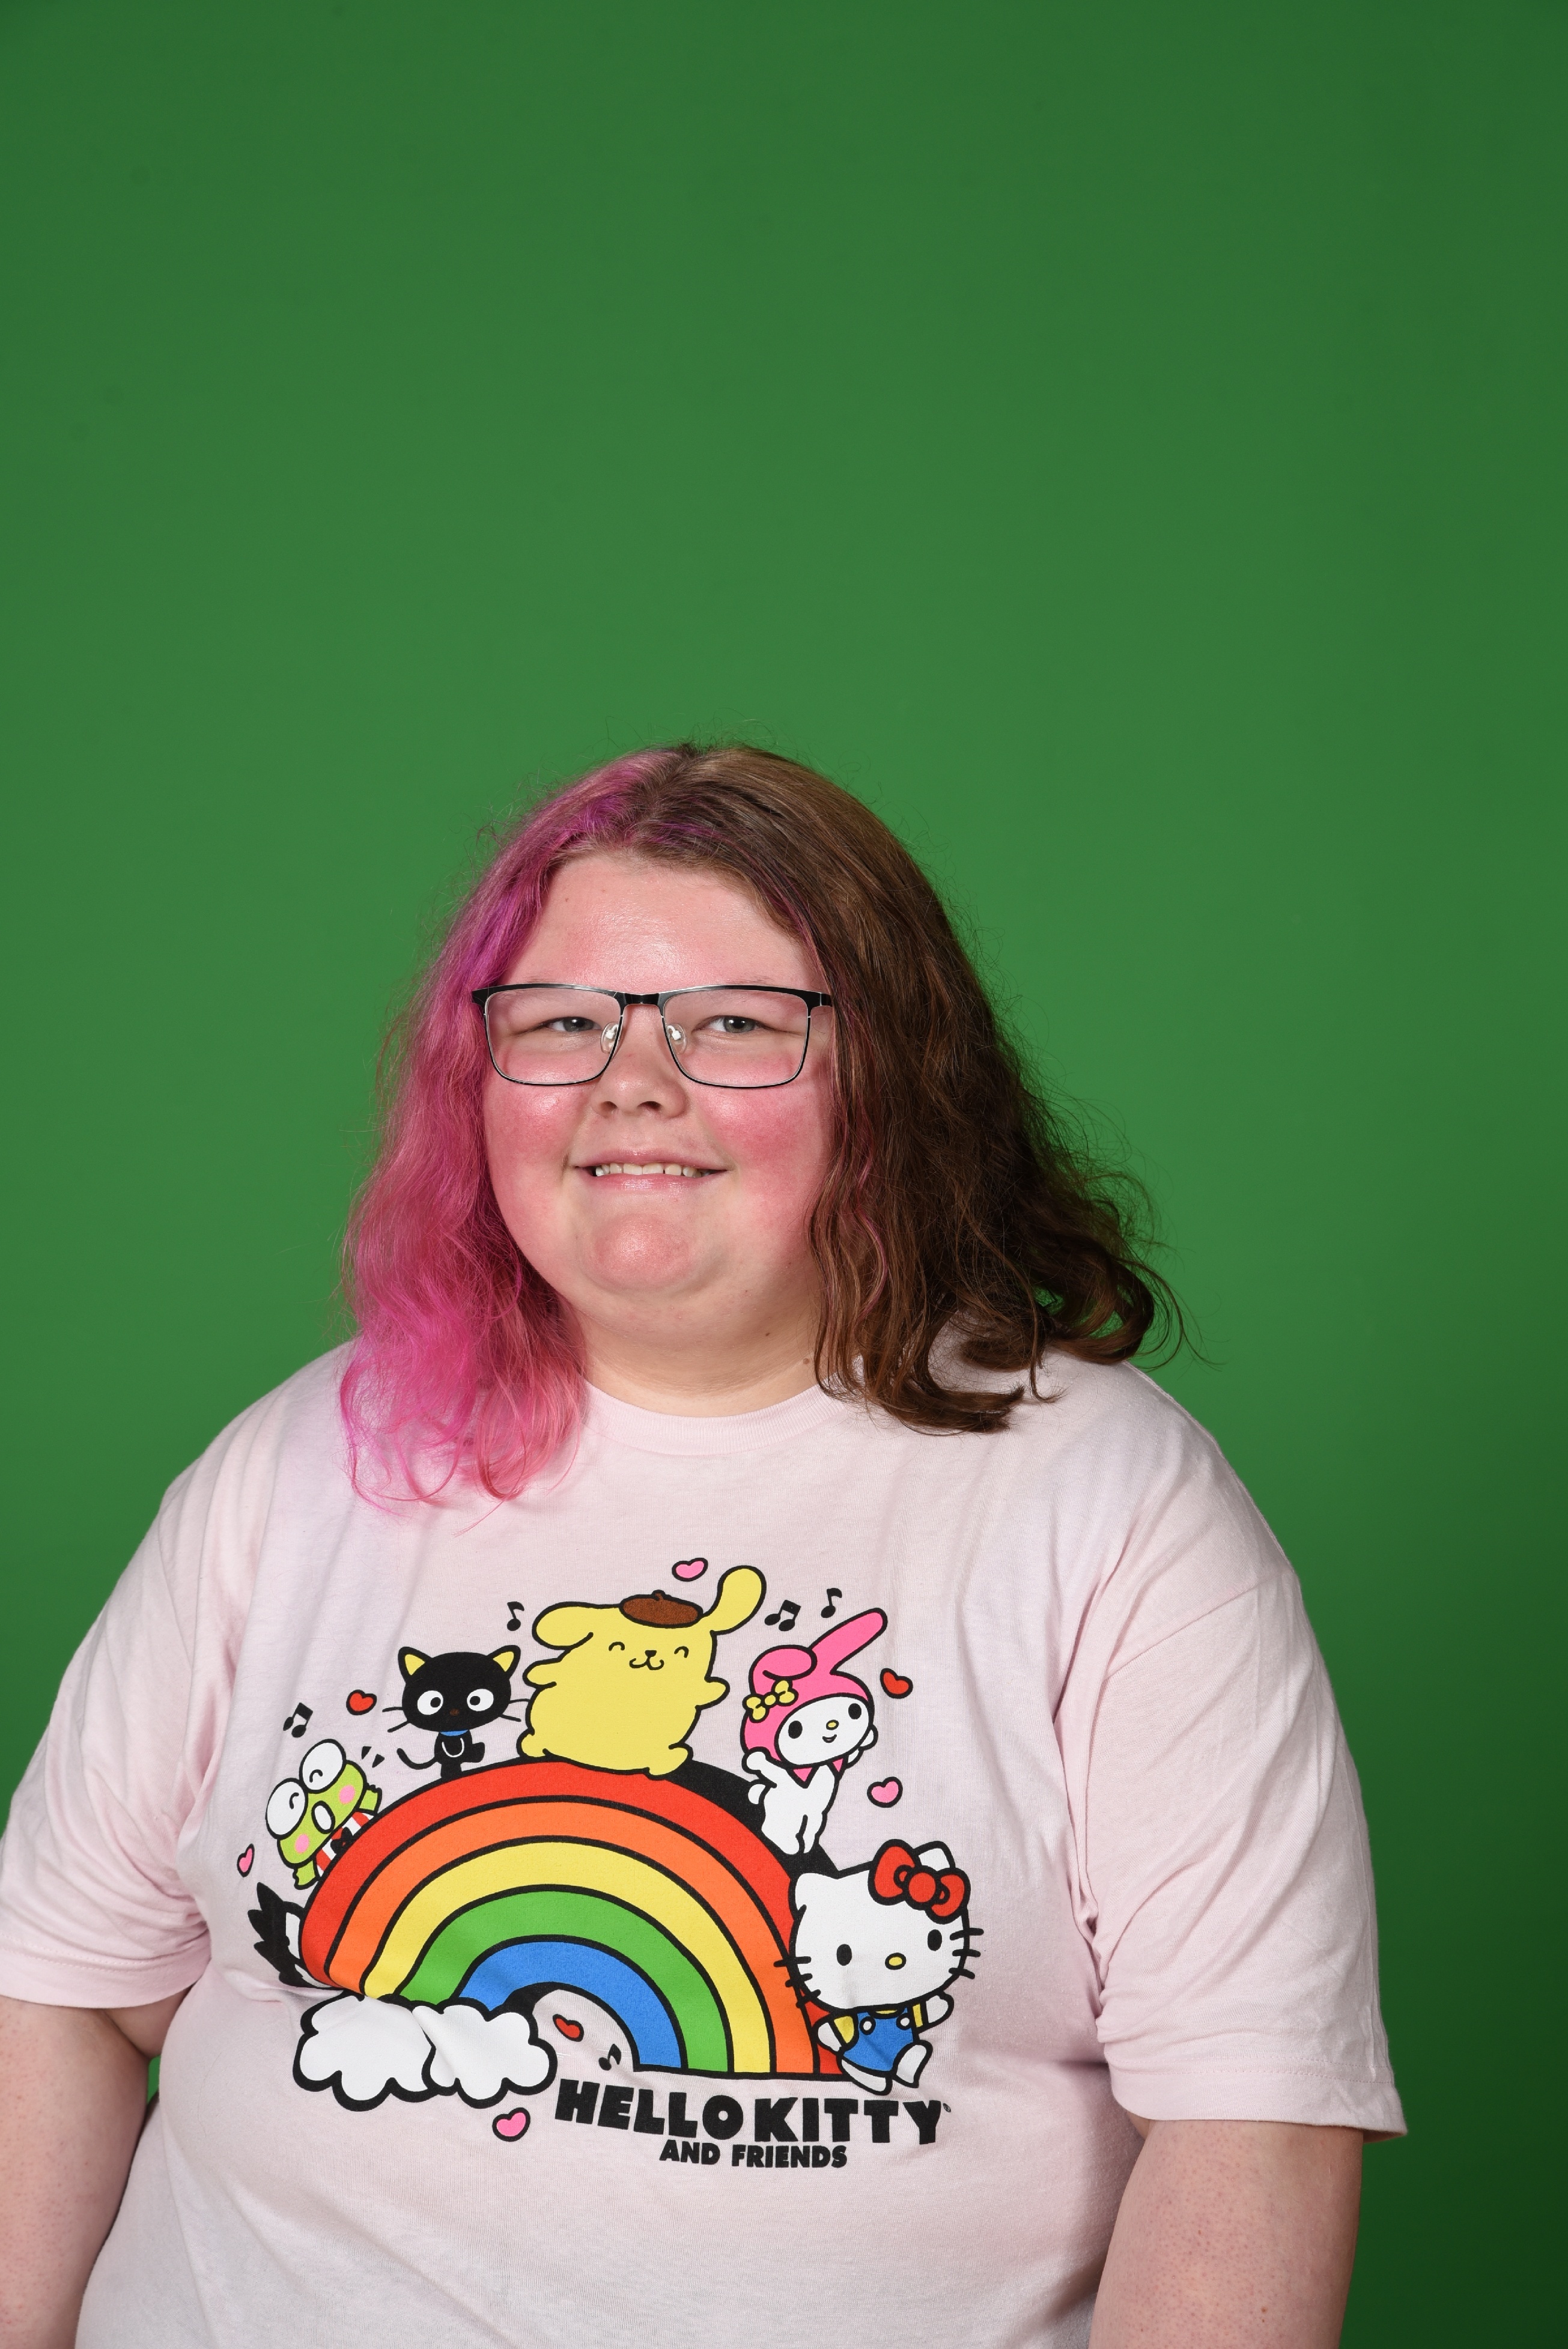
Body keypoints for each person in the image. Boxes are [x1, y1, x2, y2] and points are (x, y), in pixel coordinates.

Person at [0, 744, 1403, 2349]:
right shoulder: (299, 1461)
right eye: (560, 1024)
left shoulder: (1114, 1504)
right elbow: (62, 1994)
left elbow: (1251, 2119)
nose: (631, 1084)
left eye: (732, 1024)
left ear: (893, 1079)